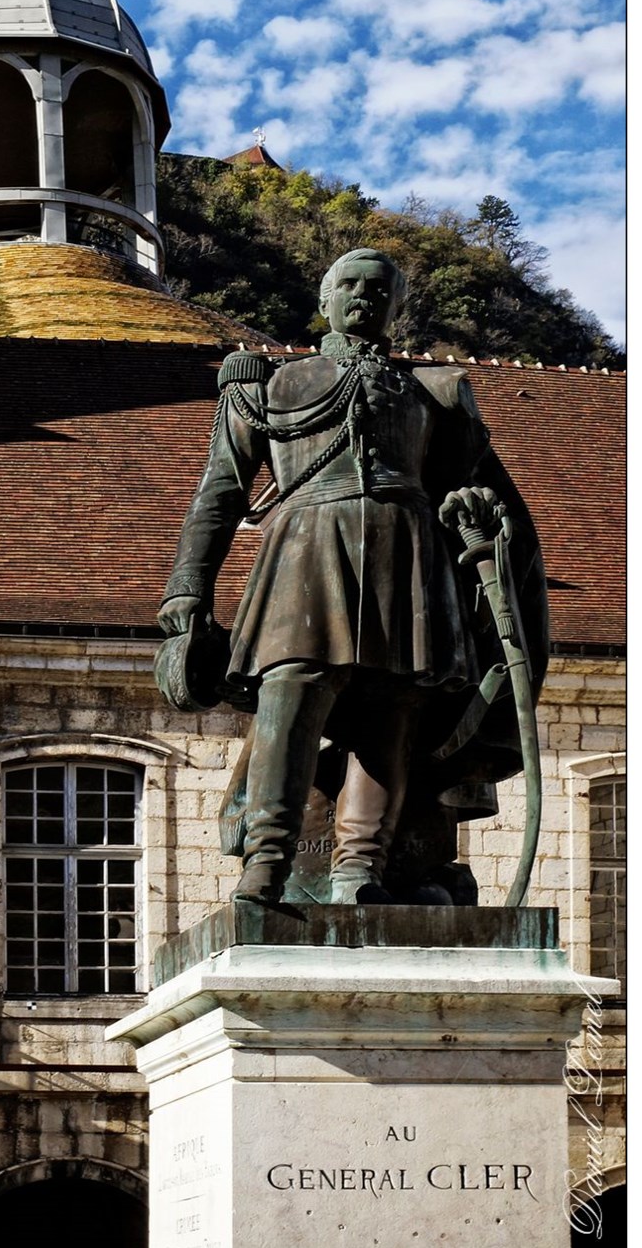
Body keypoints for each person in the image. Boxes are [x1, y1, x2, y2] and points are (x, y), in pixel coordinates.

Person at [156, 247, 546, 904]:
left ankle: (358, 870)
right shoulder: (269, 386)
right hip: (306, 548)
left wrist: (471, 511)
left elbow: (473, 492)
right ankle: (266, 865)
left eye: (379, 288)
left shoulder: (435, 393)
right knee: (291, 698)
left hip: (408, 552)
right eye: (350, 284)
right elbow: (219, 494)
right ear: (325, 300)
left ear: (395, 309)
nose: (364, 295)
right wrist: (187, 588)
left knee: (389, 714)